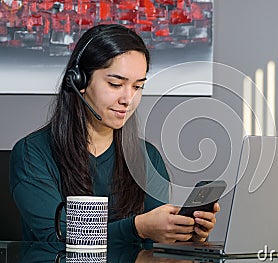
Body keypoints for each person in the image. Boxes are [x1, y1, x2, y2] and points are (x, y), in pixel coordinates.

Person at [9, 24, 220, 244]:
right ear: (79, 81)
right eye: (115, 84)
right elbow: (58, 236)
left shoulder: (147, 156)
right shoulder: (31, 153)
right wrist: (137, 228)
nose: (128, 99)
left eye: (138, 87)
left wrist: (185, 233)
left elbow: (157, 241)